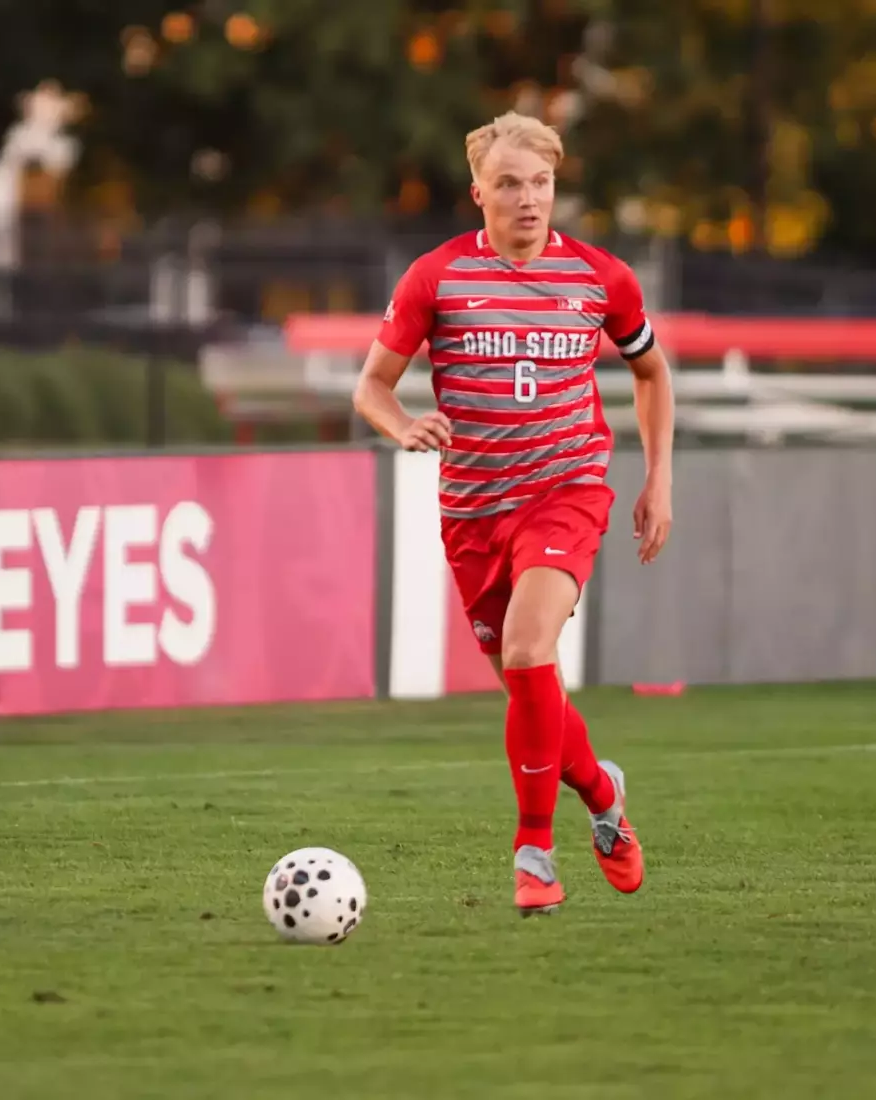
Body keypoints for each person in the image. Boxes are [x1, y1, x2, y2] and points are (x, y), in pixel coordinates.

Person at [353, 111, 675, 915]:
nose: (528, 199)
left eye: (540, 183)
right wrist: (403, 426)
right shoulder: (436, 279)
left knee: (532, 649)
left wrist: (657, 481)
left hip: (565, 492)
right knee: (530, 690)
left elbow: (652, 374)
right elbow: (371, 387)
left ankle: (533, 853)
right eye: (509, 184)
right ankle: (604, 798)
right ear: (478, 193)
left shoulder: (601, 279)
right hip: (473, 513)